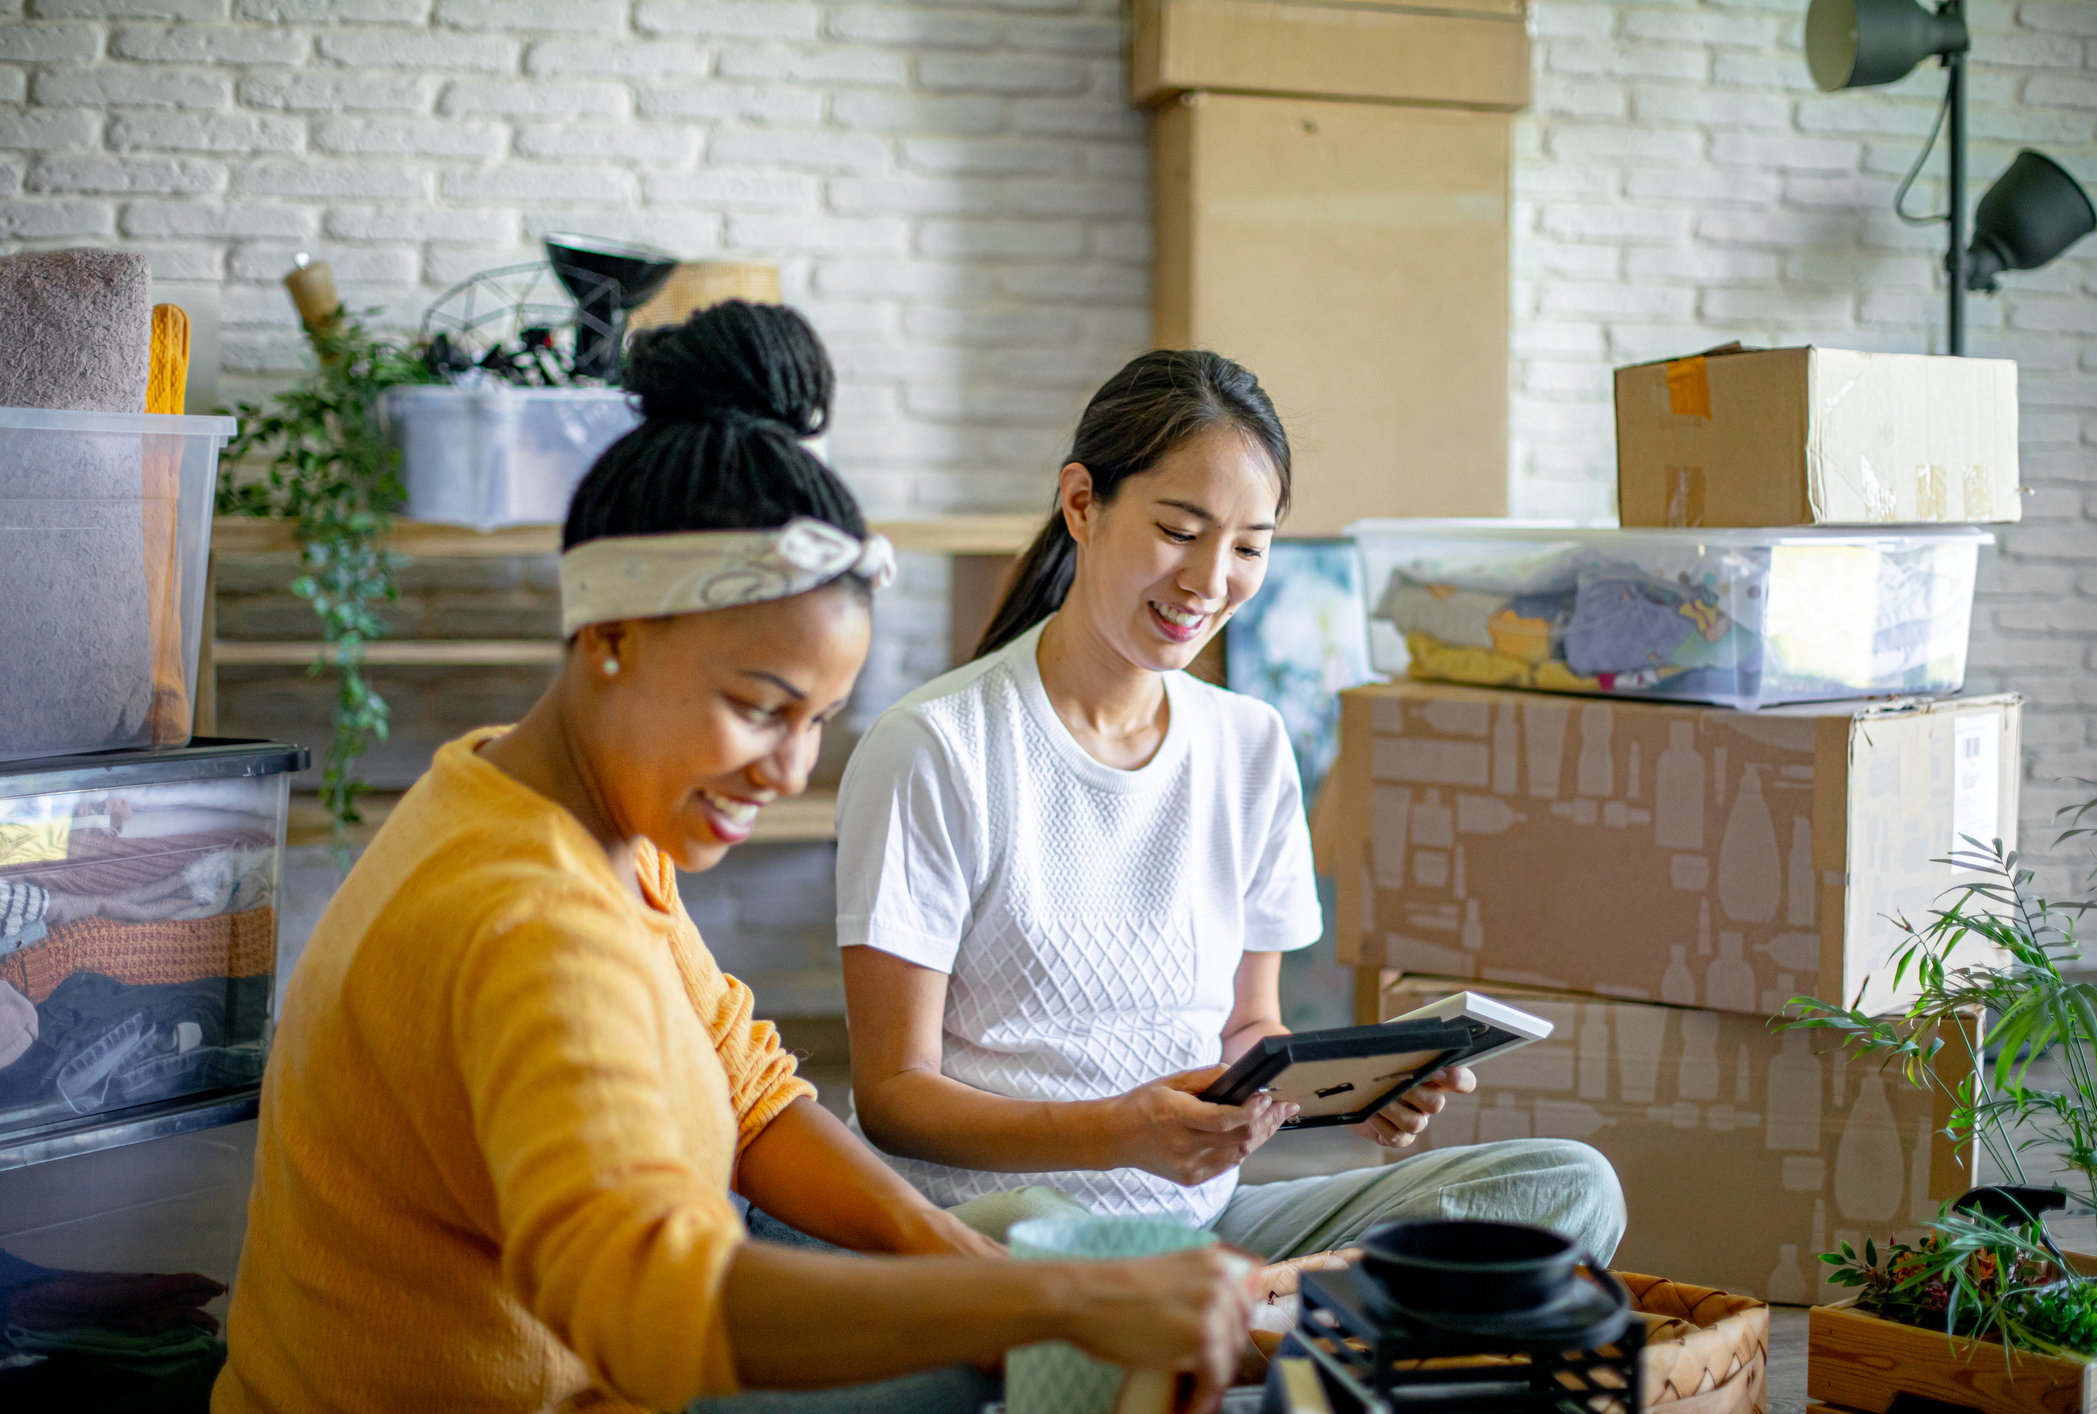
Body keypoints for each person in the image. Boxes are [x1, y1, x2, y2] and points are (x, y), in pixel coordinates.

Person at [214, 307, 1259, 1414]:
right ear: (608, 637)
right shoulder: (532, 922)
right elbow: (650, 1299)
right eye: (761, 708)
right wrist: (1051, 1309)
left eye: (818, 719)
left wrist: (974, 1264)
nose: (790, 768)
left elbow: (751, 1090)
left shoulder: (554, 813)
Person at [835, 349, 1627, 1265]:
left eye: (1248, 546)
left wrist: (1349, 1092)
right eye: (1179, 530)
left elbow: (1250, 1030)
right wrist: (1116, 1134)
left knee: (1566, 1187)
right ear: (1081, 503)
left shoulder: (1248, 745)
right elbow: (894, 1098)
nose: (1210, 581)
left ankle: (1228, 1327)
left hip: (1201, 1227)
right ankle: (1256, 1331)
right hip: (999, 1236)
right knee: (1081, 1271)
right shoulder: (936, 745)